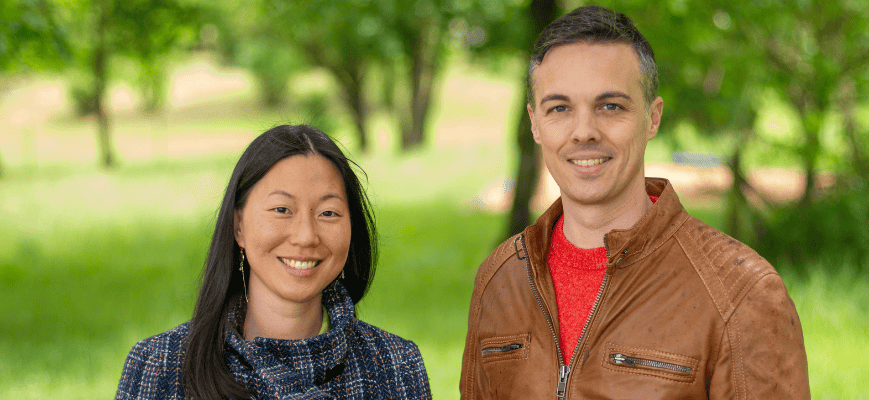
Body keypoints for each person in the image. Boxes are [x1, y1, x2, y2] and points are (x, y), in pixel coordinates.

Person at [460, 6, 809, 399]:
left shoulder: (741, 291)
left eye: (611, 106)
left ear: (652, 117)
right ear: (535, 123)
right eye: (559, 108)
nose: (584, 132)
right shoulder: (500, 280)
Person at [116, 125, 431, 399]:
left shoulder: (395, 365)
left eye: (328, 213)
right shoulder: (161, 366)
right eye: (282, 210)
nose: (306, 236)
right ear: (238, 225)